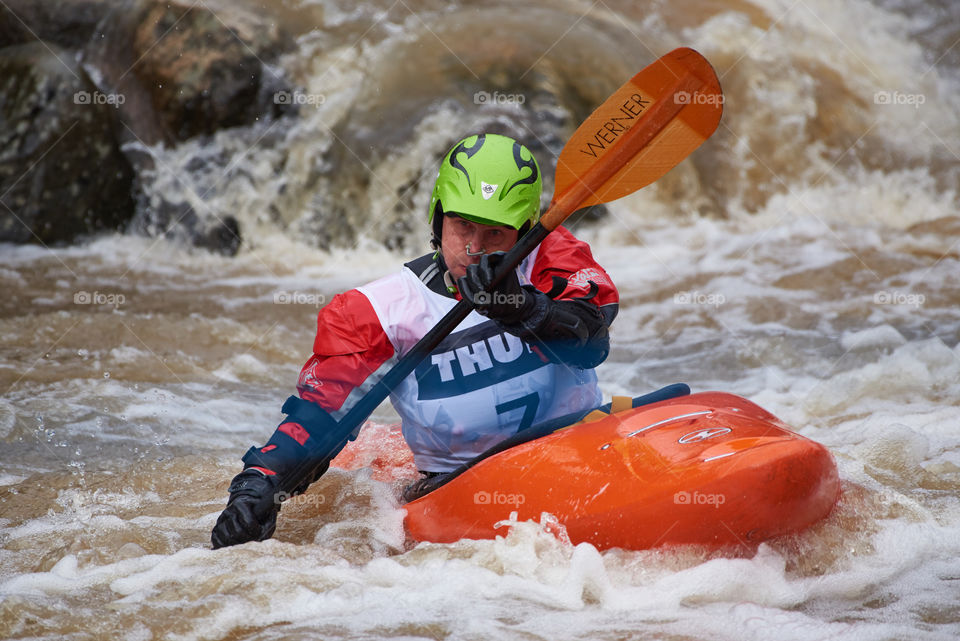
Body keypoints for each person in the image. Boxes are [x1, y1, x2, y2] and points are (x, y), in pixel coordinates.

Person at [210, 133, 619, 549]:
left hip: (579, 447)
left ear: (525, 232)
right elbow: (320, 416)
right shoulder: (380, 310)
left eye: (496, 234)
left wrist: (525, 308)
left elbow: (592, 342)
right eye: (463, 226)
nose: (474, 248)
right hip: (456, 482)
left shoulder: (553, 257)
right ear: (437, 218)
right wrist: (258, 484)